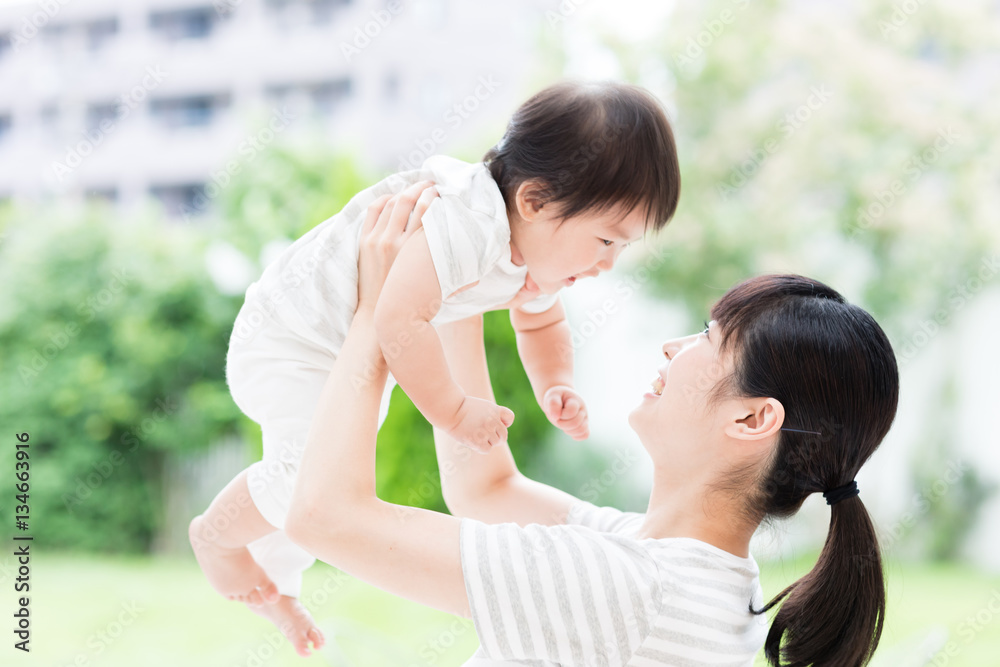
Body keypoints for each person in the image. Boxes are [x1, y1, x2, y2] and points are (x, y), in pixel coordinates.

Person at [283, 191, 900, 666]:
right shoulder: (678, 570)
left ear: (753, 417)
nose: (672, 348)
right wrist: (452, 284)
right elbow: (487, 492)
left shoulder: (633, 590)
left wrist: (377, 313)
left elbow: (324, 517)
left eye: (709, 339)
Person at [188, 80, 681, 654]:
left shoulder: (533, 252)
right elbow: (397, 320)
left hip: (330, 345)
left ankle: (273, 586)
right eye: (605, 240)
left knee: (315, 462)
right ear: (535, 201)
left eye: (622, 248)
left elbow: (540, 321)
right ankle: (216, 538)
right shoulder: (464, 225)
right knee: (312, 472)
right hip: (291, 337)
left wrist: (556, 385)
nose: (608, 264)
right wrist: (453, 412)